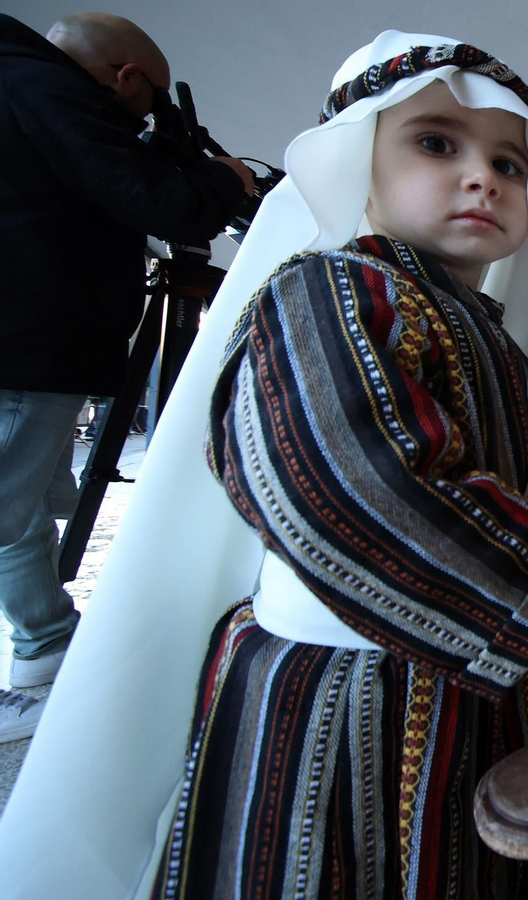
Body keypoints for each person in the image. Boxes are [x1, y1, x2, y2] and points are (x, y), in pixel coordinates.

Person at [0, 31, 528, 900]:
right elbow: (351, 480)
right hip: (336, 699)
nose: (482, 177)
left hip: (468, 685)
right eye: (436, 143)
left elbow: (525, 473)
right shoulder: (326, 292)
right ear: (357, 163)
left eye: (509, 163)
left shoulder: (498, 343)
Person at [0, 11, 254, 738]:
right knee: (9, 509)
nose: (146, 117)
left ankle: (46, 643)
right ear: (127, 77)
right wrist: (224, 179)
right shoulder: (46, 89)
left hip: (30, 339)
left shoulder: (20, 83)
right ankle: (45, 649)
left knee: (33, 500)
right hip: (31, 343)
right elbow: (160, 203)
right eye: (149, 100)